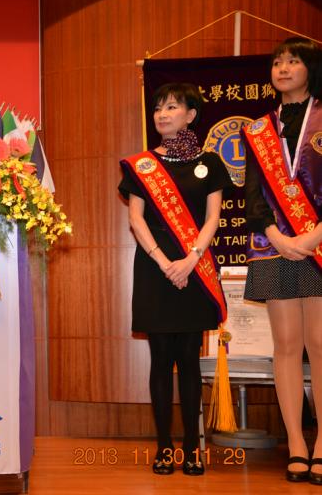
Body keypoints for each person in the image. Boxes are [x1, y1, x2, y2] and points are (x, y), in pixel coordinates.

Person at [119, 83, 232, 476]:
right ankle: (164, 446)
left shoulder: (210, 162)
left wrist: (190, 260)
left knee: (189, 361)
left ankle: (192, 448)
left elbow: (213, 218)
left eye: (171, 107)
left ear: (190, 115)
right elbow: (136, 219)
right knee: (160, 360)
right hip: (155, 269)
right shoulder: (142, 165)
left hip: (194, 269)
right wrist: (165, 261)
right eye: (158, 108)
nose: (162, 114)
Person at [242, 37, 322, 484]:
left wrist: (312, 236)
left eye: (293, 61)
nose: (283, 68)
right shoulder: (258, 130)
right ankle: (295, 442)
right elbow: (252, 193)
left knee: (320, 344)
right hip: (273, 245)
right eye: (277, 62)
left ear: (311, 68)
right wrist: (276, 235)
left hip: (319, 243)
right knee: (286, 346)